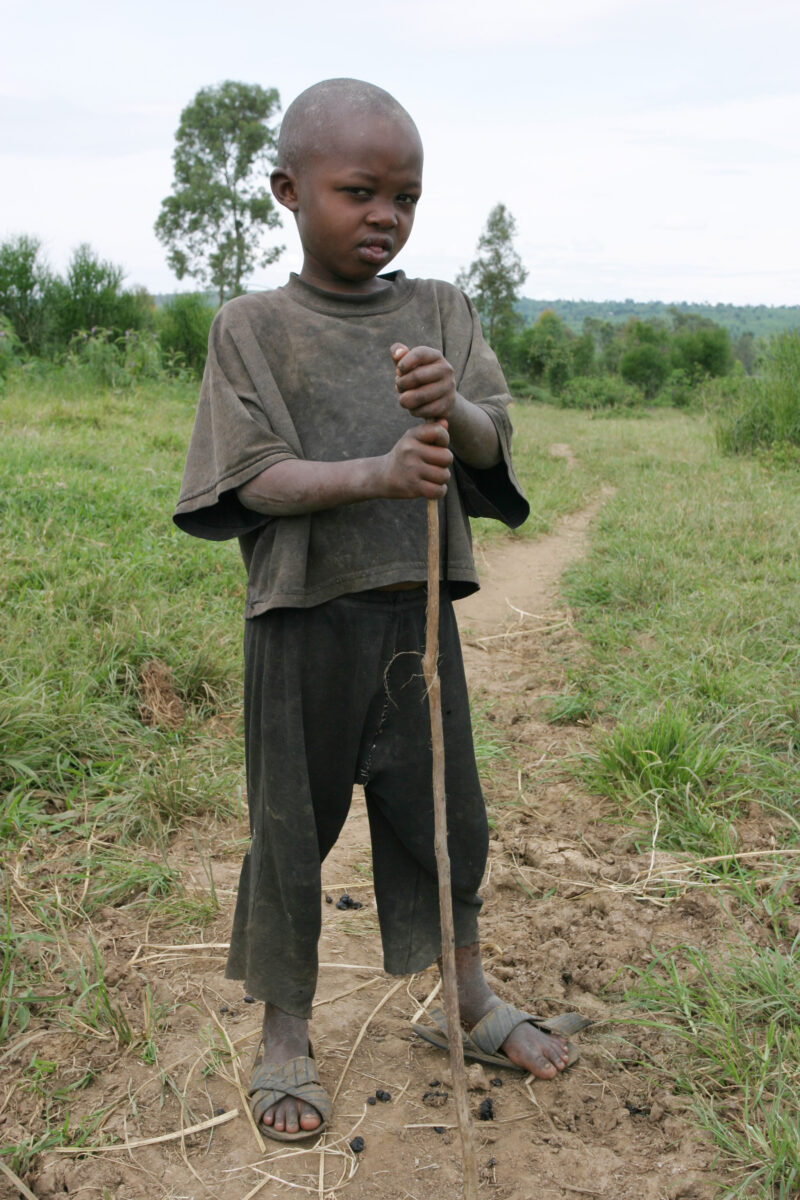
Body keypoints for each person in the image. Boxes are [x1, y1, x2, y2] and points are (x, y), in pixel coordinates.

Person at [174, 78, 584, 1143]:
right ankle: (284, 1031)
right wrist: (377, 469)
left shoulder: (440, 308)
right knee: (288, 829)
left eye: (404, 195)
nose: (384, 215)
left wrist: (447, 403)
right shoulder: (251, 328)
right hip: (299, 623)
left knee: (443, 817)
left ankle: (465, 999)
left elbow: (492, 434)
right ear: (287, 190)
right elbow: (250, 477)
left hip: (413, 620)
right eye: (358, 191)